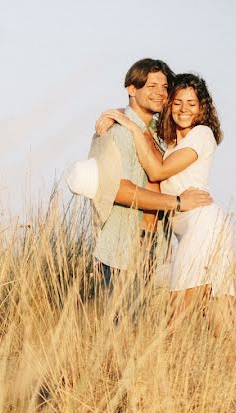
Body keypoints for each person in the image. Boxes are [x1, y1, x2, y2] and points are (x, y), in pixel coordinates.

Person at [101, 73, 236, 338]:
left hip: (202, 223)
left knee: (177, 309)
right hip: (192, 227)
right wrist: (118, 113)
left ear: (202, 108)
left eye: (192, 103)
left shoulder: (202, 134)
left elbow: (158, 171)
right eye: (177, 103)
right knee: (217, 305)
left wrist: (129, 125)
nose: (183, 109)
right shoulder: (171, 140)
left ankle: (159, 369)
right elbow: (144, 105)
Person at [67, 58, 213, 294]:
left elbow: (188, 114)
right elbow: (118, 189)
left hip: (156, 244)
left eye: (165, 87)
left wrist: (117, 113)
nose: (160, 93)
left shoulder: (161, 134)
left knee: (142, 327)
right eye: (152, 86)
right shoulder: (120, 132)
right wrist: (177, 203)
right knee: (121, 324)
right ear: (131, 89)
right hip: (123, 244)